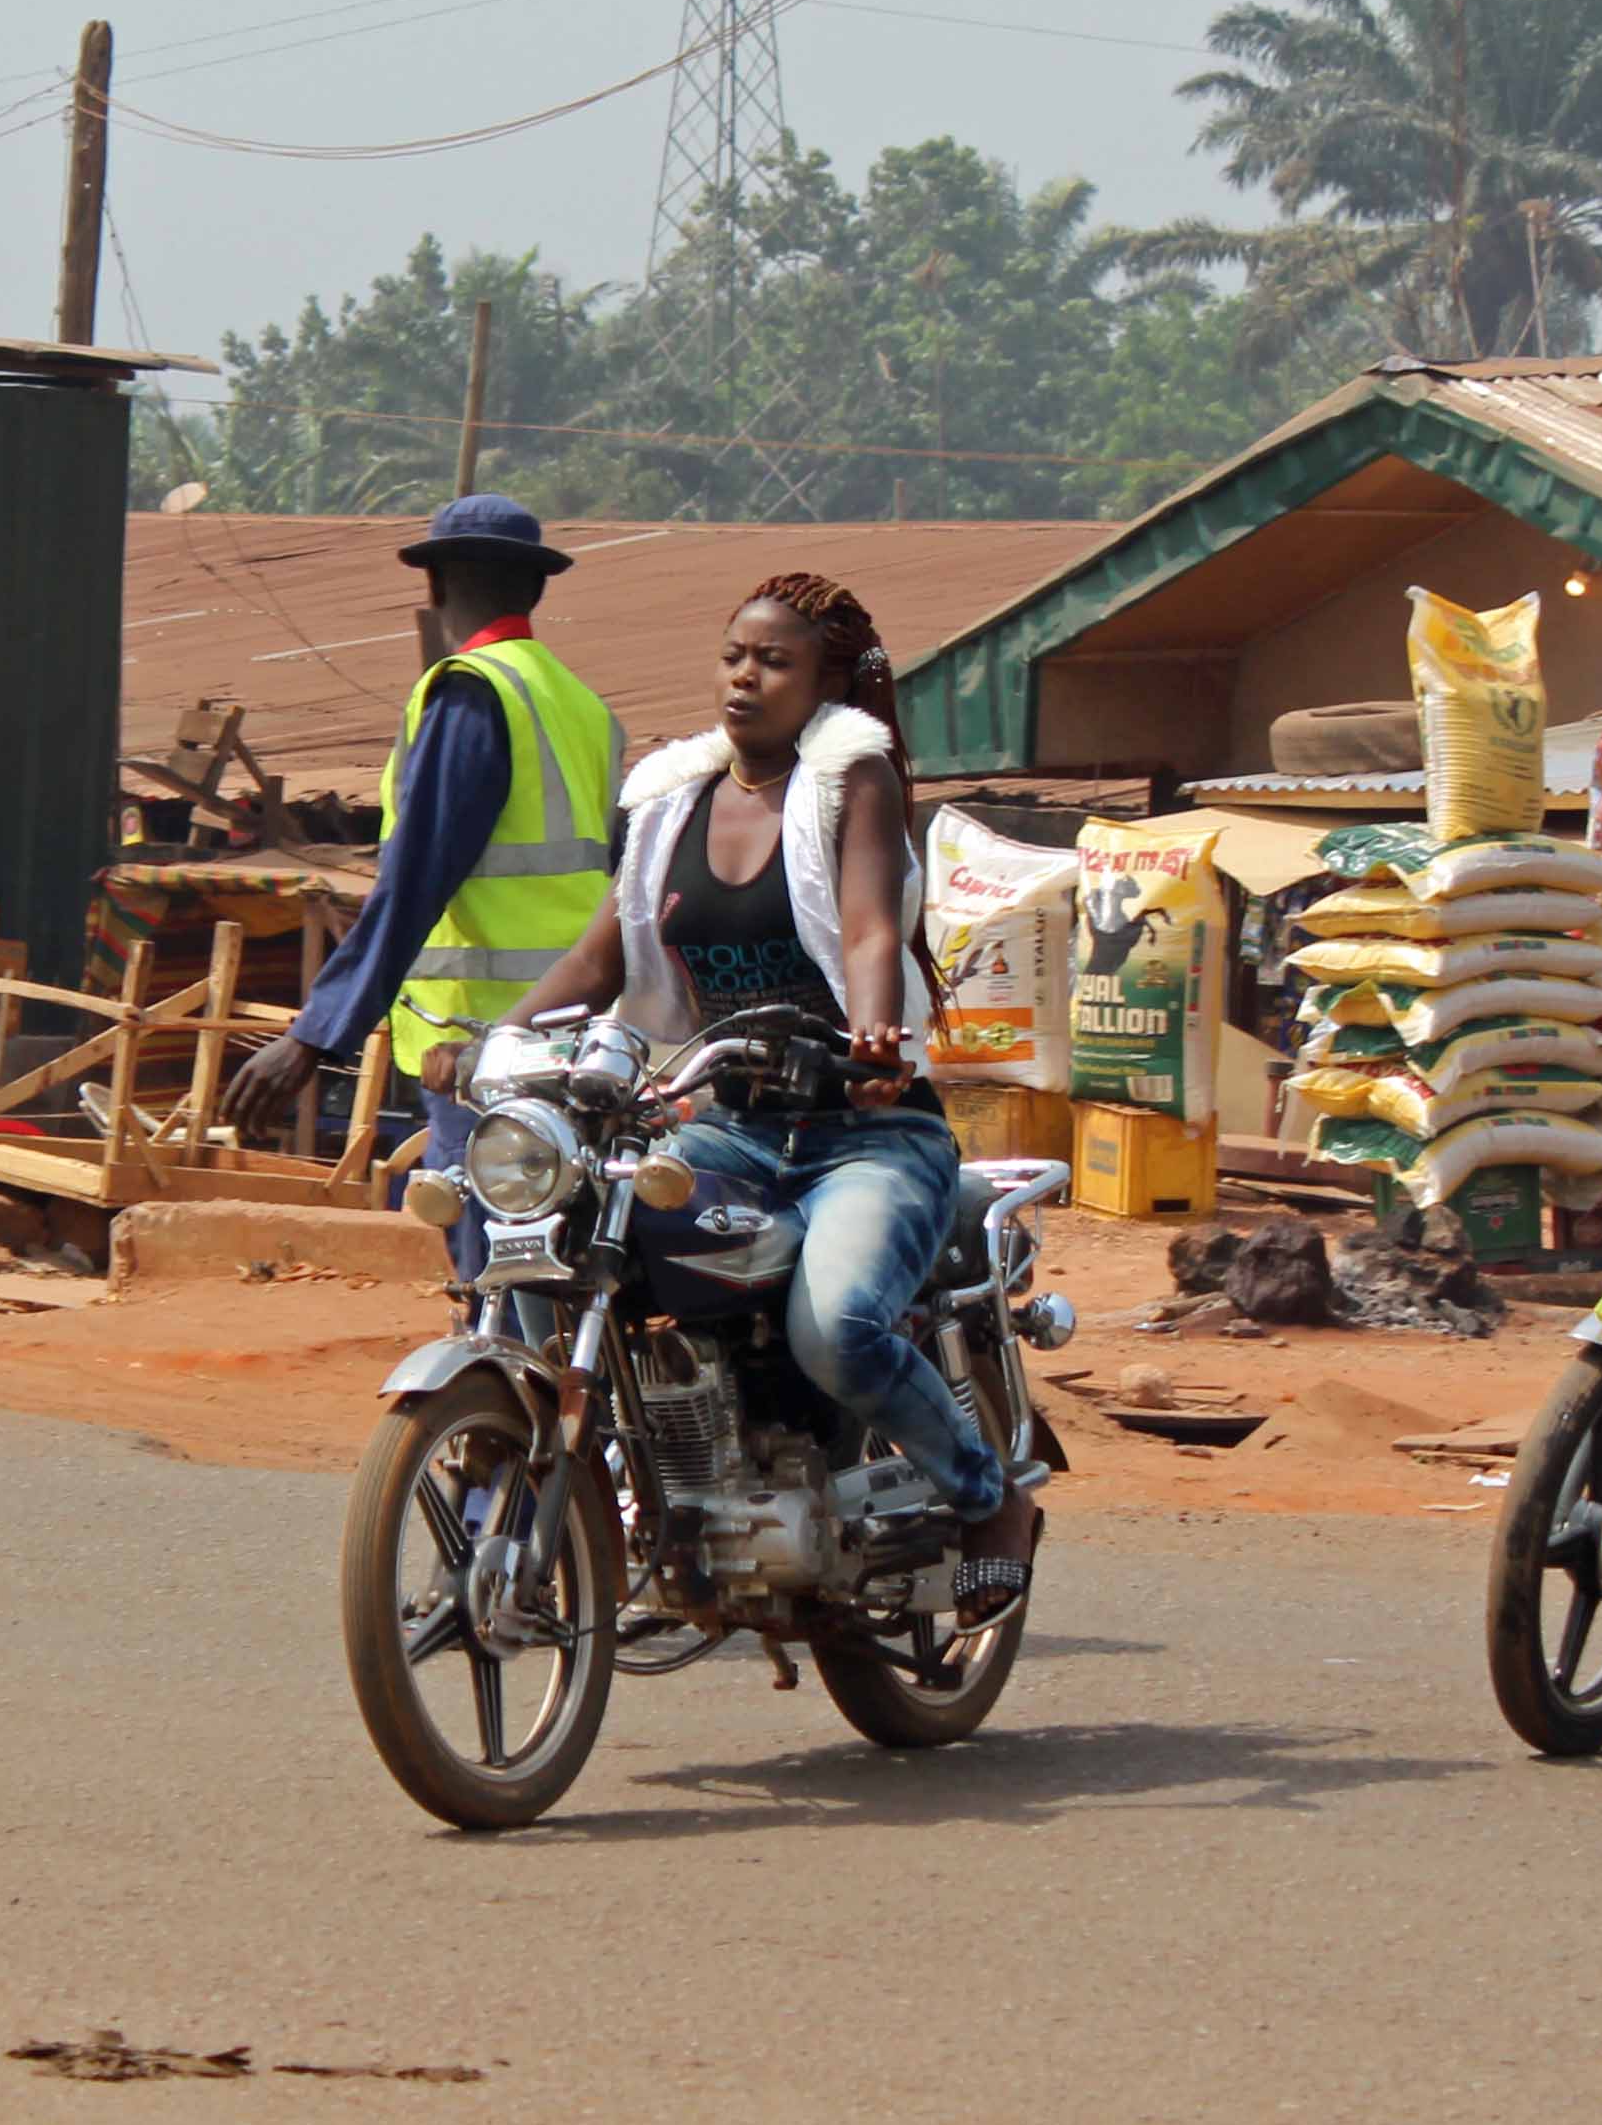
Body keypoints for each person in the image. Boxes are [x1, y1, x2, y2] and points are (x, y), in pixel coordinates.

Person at [494, 569, 1021, 1595]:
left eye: (775, 662)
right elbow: (601, 958)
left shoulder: (850, 781)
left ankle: (984, 1492)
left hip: (866, 1136)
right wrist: (500, 1040)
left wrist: (874, 1035)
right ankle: (638, 1483)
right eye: (734, 655)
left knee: (837, 1332)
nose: (745, 677)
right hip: (726, 1129)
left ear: (826, 683)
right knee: (566, 1247)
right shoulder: (668, 803)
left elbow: (869, 928)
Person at [220, 496, 625, 1189]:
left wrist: (313, 1035)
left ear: (434, 586)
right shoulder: (585, 707)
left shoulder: (472, 692)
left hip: (483, 1044)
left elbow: (414, 881)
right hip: (578, 1028)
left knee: (489, 1239)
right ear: (536, 588)